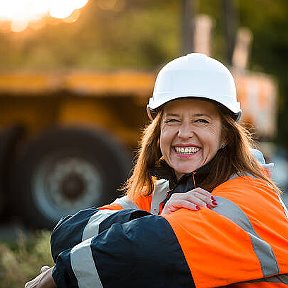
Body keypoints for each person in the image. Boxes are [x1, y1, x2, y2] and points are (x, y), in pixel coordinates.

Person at [25, 53, 288, 288]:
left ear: (225, 137)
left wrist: (57, 277)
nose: (184, 133)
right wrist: (151, 219)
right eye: (172, 120)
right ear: (159, 131)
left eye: (201, 120)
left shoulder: (249, 198)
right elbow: (67, 233)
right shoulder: (163, 194)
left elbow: (144, 252)